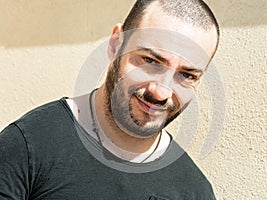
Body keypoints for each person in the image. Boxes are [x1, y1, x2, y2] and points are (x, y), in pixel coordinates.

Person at [0, 0, 219, 199]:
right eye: (150, 61)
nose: (161, 92)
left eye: (187, 75)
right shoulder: (27, 147)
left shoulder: (195, 191)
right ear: (115, 44)